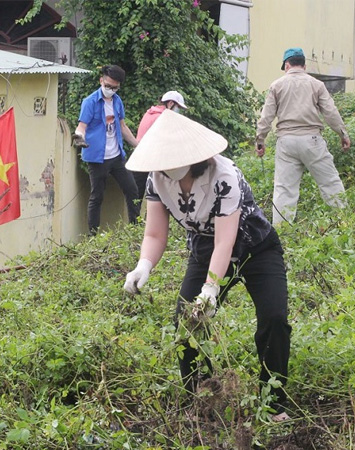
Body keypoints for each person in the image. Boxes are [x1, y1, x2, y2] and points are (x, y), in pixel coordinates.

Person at [123, 110, 292, 422]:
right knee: (187, 323)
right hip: (204, 248)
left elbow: (226, 241)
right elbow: (155, 233)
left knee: (274, 318)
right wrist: (143, 265)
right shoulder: (156, 179)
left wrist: (211, 288)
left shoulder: (224, 175)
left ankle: (273, 403)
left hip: (255, 245)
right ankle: (202, 399)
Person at [255, 47, 351, 226]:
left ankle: (282, 232)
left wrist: (260, 140)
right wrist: (342, 134)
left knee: (284, 189)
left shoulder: (276, 85)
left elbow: (266, 116)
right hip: (312, 140)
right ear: (304, 65)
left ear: (287, 65)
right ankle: (344, 222)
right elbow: (330, 112)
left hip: (286, 142)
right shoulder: (316, 84)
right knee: (330, 183)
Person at [73, 64, 140, 235]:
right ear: (101, 80)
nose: (110, 90)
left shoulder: (117, 101)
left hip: (116, 155)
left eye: (114, 87)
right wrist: (79, 137)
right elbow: (82, 126)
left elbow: (122, 126)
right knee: (97, 196)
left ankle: (135, 229)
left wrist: (138, 144)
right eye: (108, 86)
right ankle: (93, 235)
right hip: (97, 158)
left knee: (132, 190)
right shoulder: (90, 102)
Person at [133, 90, 189, 200]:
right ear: (171, 103)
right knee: (157, 195)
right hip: (151, 160)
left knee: (136, 197)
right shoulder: (162, 117)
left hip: (138, 158)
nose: (179, 111)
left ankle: (135, 218)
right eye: (178, 108)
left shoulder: (150, 113)